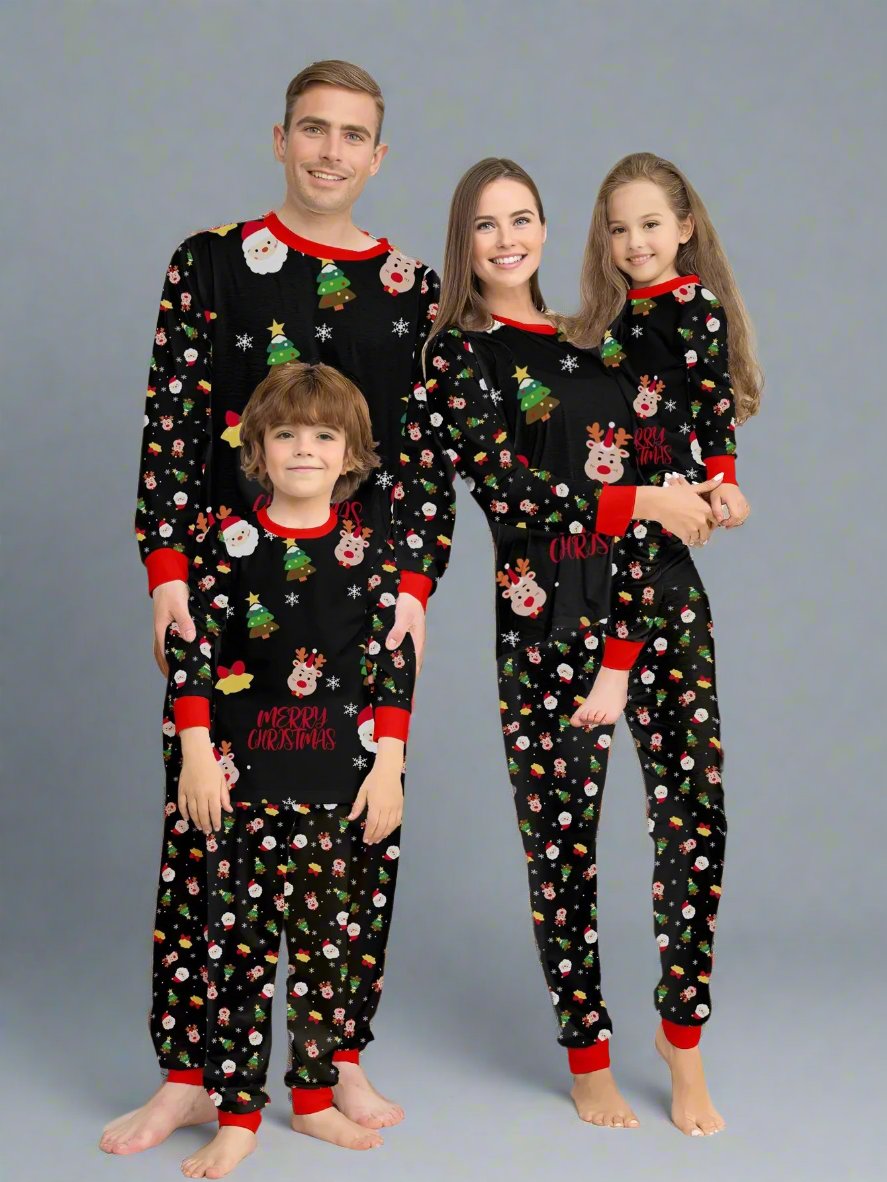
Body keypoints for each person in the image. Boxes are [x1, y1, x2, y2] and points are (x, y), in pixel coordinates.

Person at [101, 60, 452, 1156]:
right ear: (279, 137)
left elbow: (428, 462)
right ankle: (190, 1072)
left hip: (360, 614)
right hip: (225, 604)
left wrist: (414, 582)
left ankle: (332, 1059)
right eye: (314, 129)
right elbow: (168, 425)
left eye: (353, 135)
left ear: (377, 155)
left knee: (360, 837)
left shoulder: (411, 288)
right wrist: (167, 573)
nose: (331, 151)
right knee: (201, 838)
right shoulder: (210, 263)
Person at [394, 157, 730, 1136]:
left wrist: (706, 485)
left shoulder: (603, 336)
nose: (506, 239)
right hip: (546, 622)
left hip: (661, 601)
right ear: (463, 243)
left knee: (694, 821)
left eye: (523, 218)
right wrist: (642, 498)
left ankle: (681, 1040)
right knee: (560, 845)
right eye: (485, 225)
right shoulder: (459, 356)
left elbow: (678, 433)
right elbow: (505, 491)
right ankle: (586, 1052)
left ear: (548, 230)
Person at [170, 362, 415, 1176]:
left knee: (323, 951)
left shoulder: (371, 552)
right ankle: (237, 1113)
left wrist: (388, 765)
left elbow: (392, 669)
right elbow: (193, 656)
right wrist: (197, 755)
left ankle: (312, 1100)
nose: (303, 449)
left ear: (348, 454)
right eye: (286, 434)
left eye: (322, 436)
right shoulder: (225, 544)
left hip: (338, 787)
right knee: (235, 949)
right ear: (258, 450)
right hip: (240, 783)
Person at [571, 151, 761, 728]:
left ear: (684, 227)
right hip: (614, 468)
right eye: (619, 229)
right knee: (625, 556)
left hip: (667, 467)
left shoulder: (694, 305)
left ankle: (617, 668)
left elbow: (712, 394)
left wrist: (724, 478)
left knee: (643, 552)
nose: (635, 243)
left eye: (650, 225)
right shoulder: (614, 313)